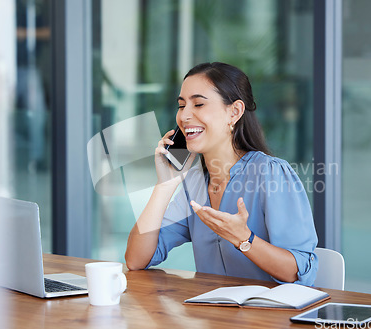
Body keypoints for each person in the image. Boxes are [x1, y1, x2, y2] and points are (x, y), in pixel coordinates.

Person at [125, 62, 318, 285]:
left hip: (269, 317)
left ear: (234, 112)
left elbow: (299, 272)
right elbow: (136, 259)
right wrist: (165, 185)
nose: (184, 116)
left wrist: (244, 239)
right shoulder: (195, 184)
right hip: (215, 316)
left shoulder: (270, 173)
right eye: (181, 105)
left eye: (198, 104)